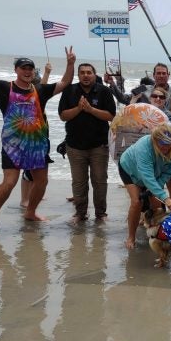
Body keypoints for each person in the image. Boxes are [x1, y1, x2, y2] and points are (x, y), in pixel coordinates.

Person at [0, 42, 75, 229]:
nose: (27, 71)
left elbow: (65, 82)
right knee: (9, 182)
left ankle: (31, 211)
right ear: (16, 70)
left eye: (30, 69)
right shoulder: (4, 88)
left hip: (37, 144)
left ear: (34, 72)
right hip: (13, 145)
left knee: (42, 181)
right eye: (23, 68)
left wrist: (70, 64)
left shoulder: (40, 90)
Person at [58, 63, 117, 223]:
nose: (85, 75)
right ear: (78, 75)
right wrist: (78, 109)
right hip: (75, 145)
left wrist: (91, 110)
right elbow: (63, 115)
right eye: (82, 72)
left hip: (99, 145)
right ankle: (80, 213)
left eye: (89, 72)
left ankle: (101, 214)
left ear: (94, 74)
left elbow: (112, 116)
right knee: (78, 183)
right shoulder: (70, 91)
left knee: (99, 181)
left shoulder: (104, 91)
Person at [118, 123, 171, 249]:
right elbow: (147, 178)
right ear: (154, 140)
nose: (166, 147)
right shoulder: (143, 147)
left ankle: (158, 235)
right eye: (162, 143)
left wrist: (158, 189)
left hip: (153, 175)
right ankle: (131, 237)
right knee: (136, 202)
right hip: (130, 169)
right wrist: (166, 197)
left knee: (156, 204)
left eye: (169, 143)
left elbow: (168, 173)